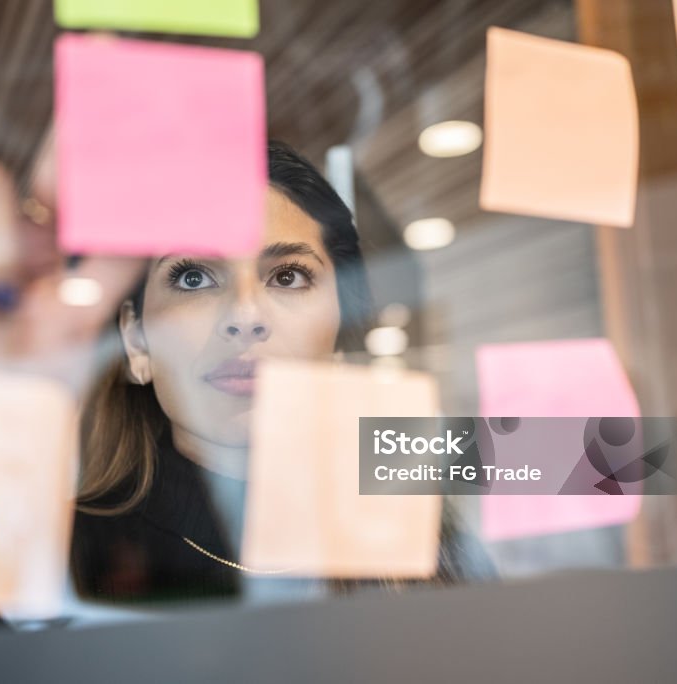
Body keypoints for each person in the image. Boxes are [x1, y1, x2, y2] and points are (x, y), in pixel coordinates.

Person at [70, 141, 494, 604]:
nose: (246, 314)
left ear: (341, 322)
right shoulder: (58, 553)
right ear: (135, 341)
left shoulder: (431, 510)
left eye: (288, 276)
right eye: (193, 278)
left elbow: (575, 462)